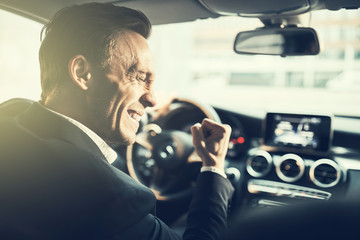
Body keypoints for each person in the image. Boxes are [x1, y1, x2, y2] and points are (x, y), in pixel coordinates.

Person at [0, 3, 234, 239]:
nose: (152, 99)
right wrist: (213, 167)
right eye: (140, 78)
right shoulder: (109, 197)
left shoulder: (10, 117)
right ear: (81, 73)